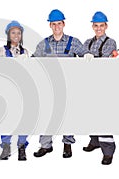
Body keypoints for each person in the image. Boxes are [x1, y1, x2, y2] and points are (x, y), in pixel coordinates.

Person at [32, 9, 88, 159]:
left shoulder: (74, 42)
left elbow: (86, 57)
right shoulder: (44, 43)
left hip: (69, 86)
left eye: (59, 23)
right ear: (50, 25)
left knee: (67, 115)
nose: (56, 26)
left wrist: (88, 56)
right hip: (48, 87)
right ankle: (45, 145)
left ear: (63, 24)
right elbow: (33, 61)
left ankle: (67, 145)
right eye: (53, 24)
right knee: (46, 115)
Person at [82, 11, 117, 165]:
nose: (98, 28)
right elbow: (81, 55)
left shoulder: (110, 42)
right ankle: (95, 141)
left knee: (103, 117)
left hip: (104, 84)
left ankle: (108, 151)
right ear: (92, 26)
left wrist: (93, 58)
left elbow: (105, 61)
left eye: (101, 26)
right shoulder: (87, 42)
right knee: (89, 114)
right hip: (88, 83)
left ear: (106, 26)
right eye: (96, 26)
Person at [0, 20, 29, 161]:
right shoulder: (2, 51)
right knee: (6, 119)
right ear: (8, 35)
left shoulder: (26, 52)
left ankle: (22, 147)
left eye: (18, 33)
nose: (16, 35)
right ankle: (6, 146)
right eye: (13, 32)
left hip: (22, 89)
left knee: (23, 119)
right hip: (6, 89)